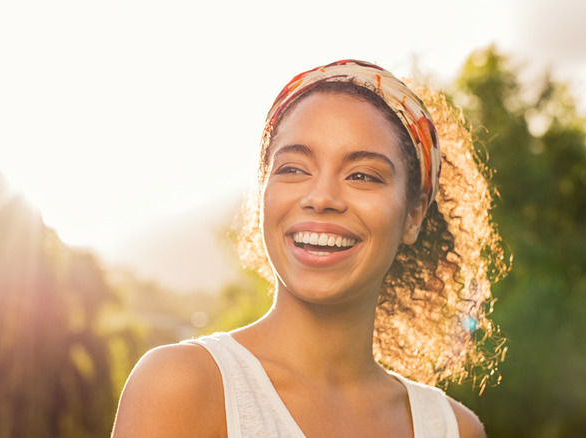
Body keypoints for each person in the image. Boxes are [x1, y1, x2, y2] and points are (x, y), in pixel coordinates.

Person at [112, 59, 506, 437]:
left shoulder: (453, 429)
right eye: (294, 169)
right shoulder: (182, 386)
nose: (321, 197)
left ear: (414, 214)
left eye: (363, 175)